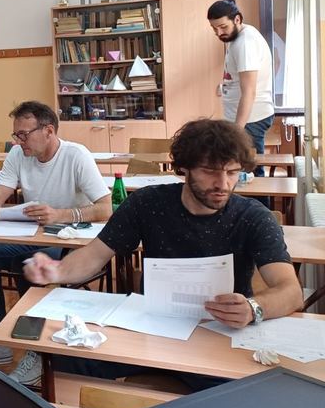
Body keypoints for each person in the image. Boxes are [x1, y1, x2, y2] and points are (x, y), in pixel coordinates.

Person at [23, 118, 303, 389]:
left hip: (219, 333)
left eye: (232, 172)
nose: (223, 184)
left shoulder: (253, 217)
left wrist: (254, 308)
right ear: (184, 168)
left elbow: (291, 291)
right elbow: (95, 255)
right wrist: (57, 270)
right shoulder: (148, 203)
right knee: (65, 361)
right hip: (153, 328)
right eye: (210, 171)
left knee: (240, 397)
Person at [0, 101, 111, 376]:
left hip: (70, 238)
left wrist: (60, 215)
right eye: (16, 135)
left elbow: (106, 208)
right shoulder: (18, 154)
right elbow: (0, 191)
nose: (18, 141)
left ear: (48, 131)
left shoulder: (76, 156)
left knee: (29, 264)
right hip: (32, 233)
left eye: (24, 134)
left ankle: (36, 351)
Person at [208, 0, 275, 176]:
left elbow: (249, 92)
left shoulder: (245, 43)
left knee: (249, 173)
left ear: (237, 19)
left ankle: (258, 196)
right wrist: (225, 86)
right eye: (214, 29)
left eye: (223, 27)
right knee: (244, 171)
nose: (219, 33)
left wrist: (237, 131)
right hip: (246, 118)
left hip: (250, 119)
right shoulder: (238, 36)